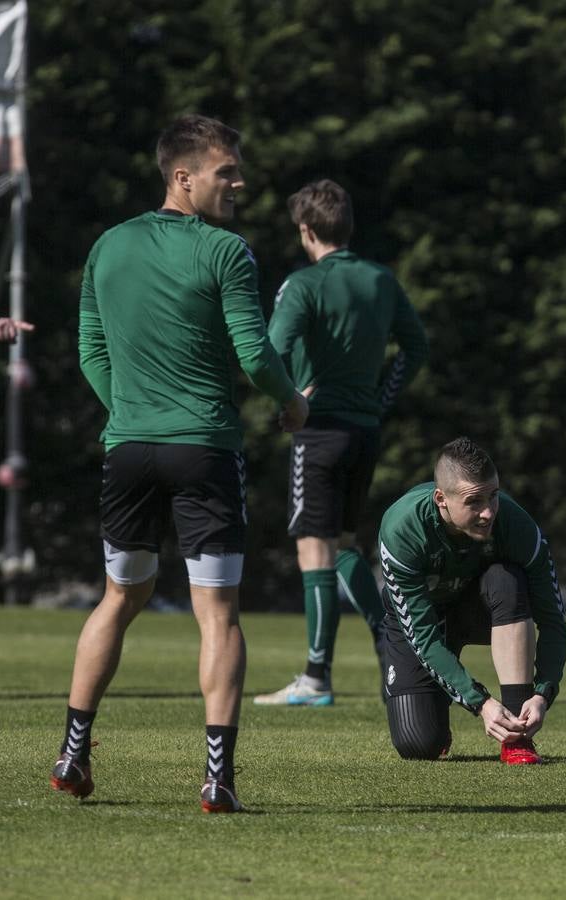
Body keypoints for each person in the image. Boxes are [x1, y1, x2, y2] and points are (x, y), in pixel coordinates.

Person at [54, 115, 309, 813]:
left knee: (118, 598)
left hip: (128, 451)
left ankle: (73, 751)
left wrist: (128, 413)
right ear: (183, 177)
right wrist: (292, 403)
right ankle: (217, 778)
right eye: (227, 171)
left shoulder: (108, 246)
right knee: (218, 614)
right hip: (204, 452)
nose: (240, 182)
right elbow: (255, 356)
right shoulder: (227, 252)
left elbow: (89, 351)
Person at [254, 179, 428, 707]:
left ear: (306, 231)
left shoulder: (303, 285)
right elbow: (415, 348)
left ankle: (315, 678)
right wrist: (381, 398)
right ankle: (392, 645)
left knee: (315, 550)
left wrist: (289, 402)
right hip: (365, 430)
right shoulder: (381, 279)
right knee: (347, 545)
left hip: (320, 430)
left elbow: (270, 351)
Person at [377, 437, 566, 764]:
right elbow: (422, 636)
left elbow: (553, 623)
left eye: (493, 496)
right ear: (441, 499)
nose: (488, 512)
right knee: (418, 745)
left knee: (506, 580)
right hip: (426, 622)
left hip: (480, 612)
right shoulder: (402, 530)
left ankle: (516, 737)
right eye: (474, 502)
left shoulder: (517, 526)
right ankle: (435, 708)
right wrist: (480, 702)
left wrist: (542, 693)